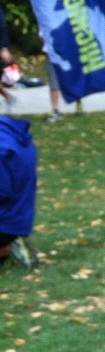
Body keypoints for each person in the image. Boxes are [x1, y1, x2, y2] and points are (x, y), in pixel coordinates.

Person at [0, 113, 37, 270]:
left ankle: (8, 244)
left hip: (8, 221)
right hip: (20, 215)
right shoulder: (8, 132)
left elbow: (2, 191)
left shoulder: (3, 149)